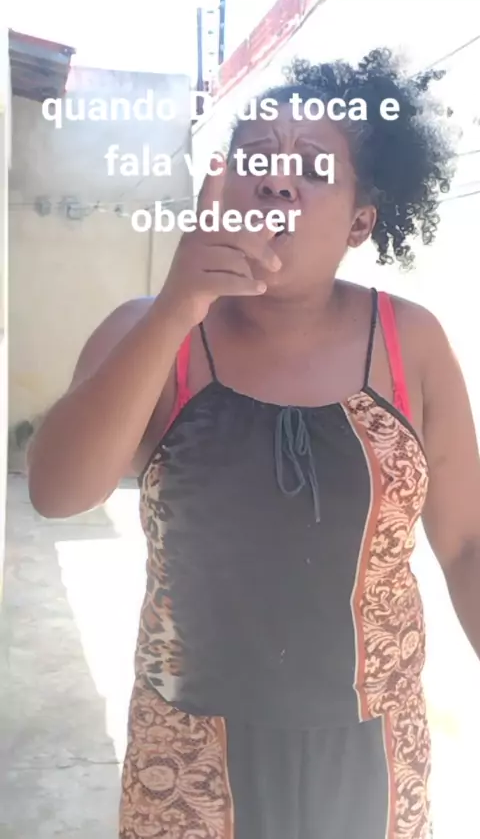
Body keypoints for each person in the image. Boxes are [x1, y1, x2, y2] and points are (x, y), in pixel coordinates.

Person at [27, 48, 480, 839]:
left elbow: (469, 544)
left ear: (361, 221)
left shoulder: (410, 343)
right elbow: (57, 492)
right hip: (189, 753)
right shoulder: (148, 330)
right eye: (256, 157)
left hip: (372, 755)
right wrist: (178, 307)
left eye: (311, 167)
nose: (276, 181)